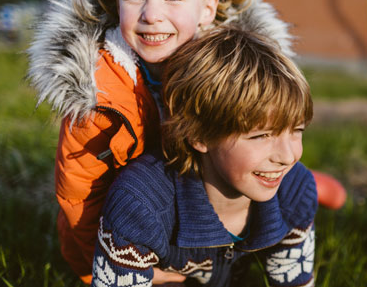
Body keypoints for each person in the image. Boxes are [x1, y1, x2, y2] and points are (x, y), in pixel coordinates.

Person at [27, 0, 305, 282]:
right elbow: (78, 196)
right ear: (116, 3)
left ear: (207, 8)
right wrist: (100, 266)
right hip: (137, 234)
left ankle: (315, 197)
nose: (152, 14)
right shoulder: (96, 96)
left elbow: (266, 139)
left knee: (299, 181)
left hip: (213, 210)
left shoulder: (233, 70)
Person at [92, 26, 317, 287]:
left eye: (296, 131)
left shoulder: (295, 189)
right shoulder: (140, 205)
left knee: (316, 188)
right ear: (199, 135)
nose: (288, 156)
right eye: (261, 136)